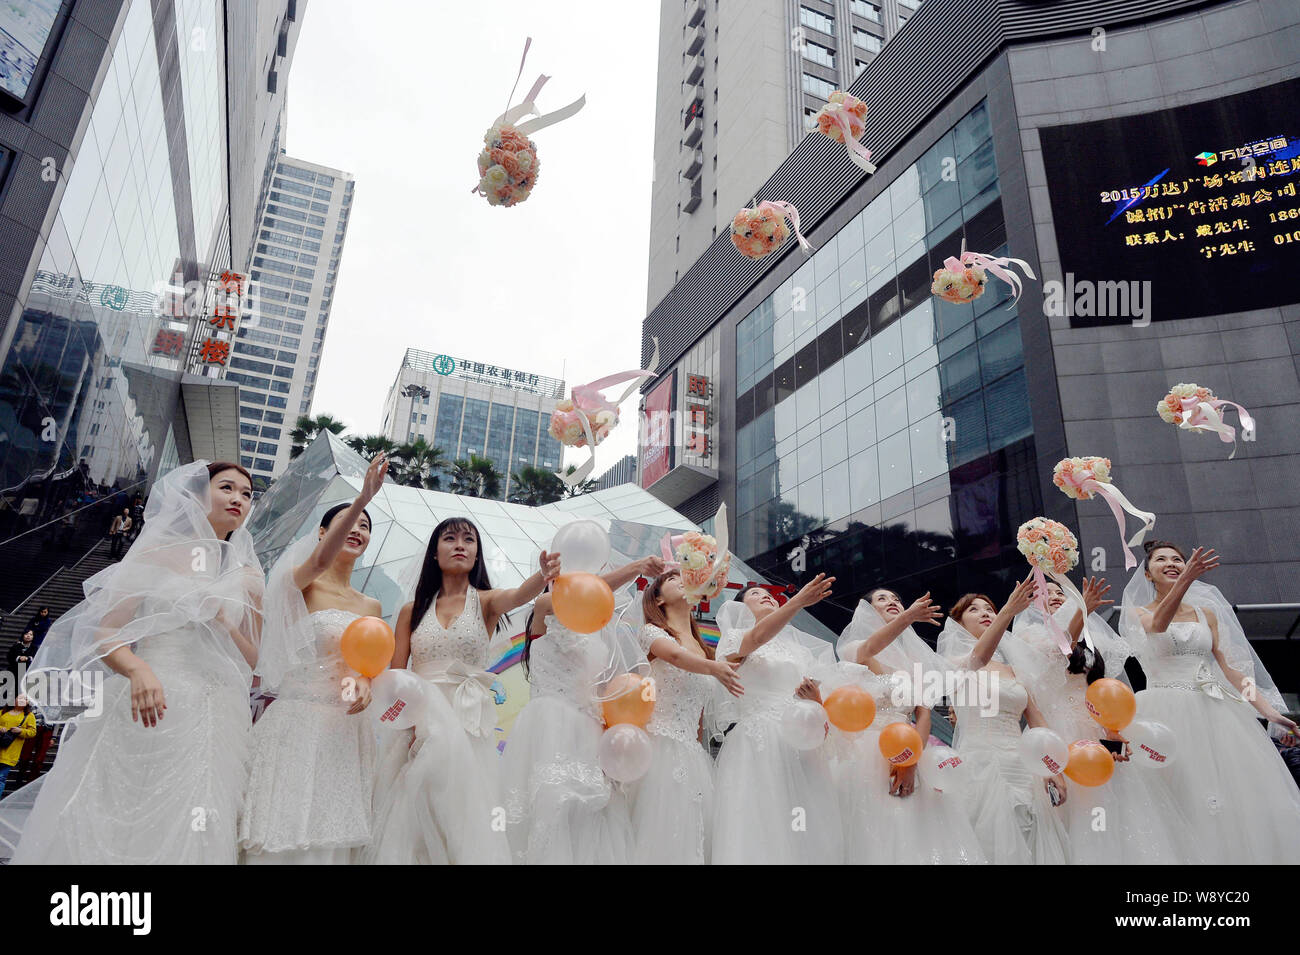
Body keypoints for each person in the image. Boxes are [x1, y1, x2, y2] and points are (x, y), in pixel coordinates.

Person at [0, 461, 264, 864]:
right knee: (113, 810)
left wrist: (227, 622)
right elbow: (105, 633)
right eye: (226, 487)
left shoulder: (248, 576)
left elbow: (257, 660)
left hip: (215, 716)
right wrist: (137, 668)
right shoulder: (157, 554)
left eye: (246, 494)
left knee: (196, 816)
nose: (238, 498)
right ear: (197, 495)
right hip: (149, 699)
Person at [365, 517, 560, 864]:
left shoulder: (485, 602)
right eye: (450, 538)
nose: (459, 544)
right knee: (411, 813)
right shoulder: (412, 610)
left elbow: (517, 596)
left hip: (467, 719)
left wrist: (542, 576)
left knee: (462, 812)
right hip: (418, 721)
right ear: (434, 553)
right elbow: (397, 674)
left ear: (476, 554)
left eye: (468, 540)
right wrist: (402, 725)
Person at [239, 453, 389, 864]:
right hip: (298, 721)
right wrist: (362, 500)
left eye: (365, 527)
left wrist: (365, 681)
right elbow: (321, 560)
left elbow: (370, 664)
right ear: (323, 533)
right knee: (283, 828)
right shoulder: (300, 583)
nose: (357, 529)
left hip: (345, 731)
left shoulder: (372, 606)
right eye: (349, 523)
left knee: (330, 835)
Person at [1119, 541, 1300, 864]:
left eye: (1178, 559)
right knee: (1176, 797)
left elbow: (1232, 671)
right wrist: (1187, 579)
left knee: (1230, 798)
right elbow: (1159, 625)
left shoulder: (1208, 615)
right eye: (1162, 560)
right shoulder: (1138, 613)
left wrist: (1270, 712)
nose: (1172, 563)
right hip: (1162, 714)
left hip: (1214, 710)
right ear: (1148, 574)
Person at [1003, 575, 1200, 864]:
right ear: (1031, 602)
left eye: (1062, 593)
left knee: (1120, 806)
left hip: (1098, 731)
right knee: (1079, 810)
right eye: (1048, 593)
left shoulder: (1088, 641)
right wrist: (1081, 613)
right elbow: (1058, 655)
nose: (1057, 596)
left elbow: (1102, 693)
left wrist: (1113, 733)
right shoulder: (1027, 638)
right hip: (1060, 734)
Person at [501, 554, 663, 864]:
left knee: (591, 813)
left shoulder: (600, 633)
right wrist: (635, 568)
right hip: (551, 722)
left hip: (589, 726)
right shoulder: (544, 609)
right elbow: (575, 595)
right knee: (553, 803)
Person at [830, 588, 988, 864]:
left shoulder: (913, 661)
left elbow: (923, 714)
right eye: (882, 599)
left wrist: (911, 762)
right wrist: (908, 617)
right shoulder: (853, 647)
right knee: (874, 829)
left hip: (910, 750)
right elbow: (870, 649)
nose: (892, 601)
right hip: (866, 752)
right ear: (866, 610)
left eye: (896, 599)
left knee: (914, 827)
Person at [711, 576, 844, 864]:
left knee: (806, 820)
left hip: (800, 742)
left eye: (769, 594)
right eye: (756, 594)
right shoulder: (734, 640)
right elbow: (757, 639)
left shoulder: (800, 651)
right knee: (764, 821)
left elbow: (820, 704)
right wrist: (797, 602)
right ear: (741, 609)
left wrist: (814, 700)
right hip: (760, 741)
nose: (766, 596)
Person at [937, 583, 1070, 865]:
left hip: (1022, 764)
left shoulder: (1014, 670)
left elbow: (1036, 720)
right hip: (982, 762)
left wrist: (1051, 766)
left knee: (1030, 835)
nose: (985, 613)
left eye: (990, 608)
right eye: (974, 610)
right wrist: (1008, 610)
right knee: (989, 840)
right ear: (958, 624)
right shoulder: (953, 661)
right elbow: (978, 658)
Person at [625, 570, 742, 865]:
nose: (681, 580)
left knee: (690, 837)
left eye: (683, 578)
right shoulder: (652, 633)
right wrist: (715, 668)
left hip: (691, 753)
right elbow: (675, 657)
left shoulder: (704, 650)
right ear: (659, 598)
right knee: (658, 830)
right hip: (658, 745)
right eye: (672, 579)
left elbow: (701, 714)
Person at [0, 697, 37, 797]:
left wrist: (20, 731)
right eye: (19, 698)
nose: (21, 700)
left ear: (27, 703)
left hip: (11, 751)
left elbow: (33, 732)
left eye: (24, 699)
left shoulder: (29, 716)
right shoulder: (3, 711)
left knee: (1, 777)